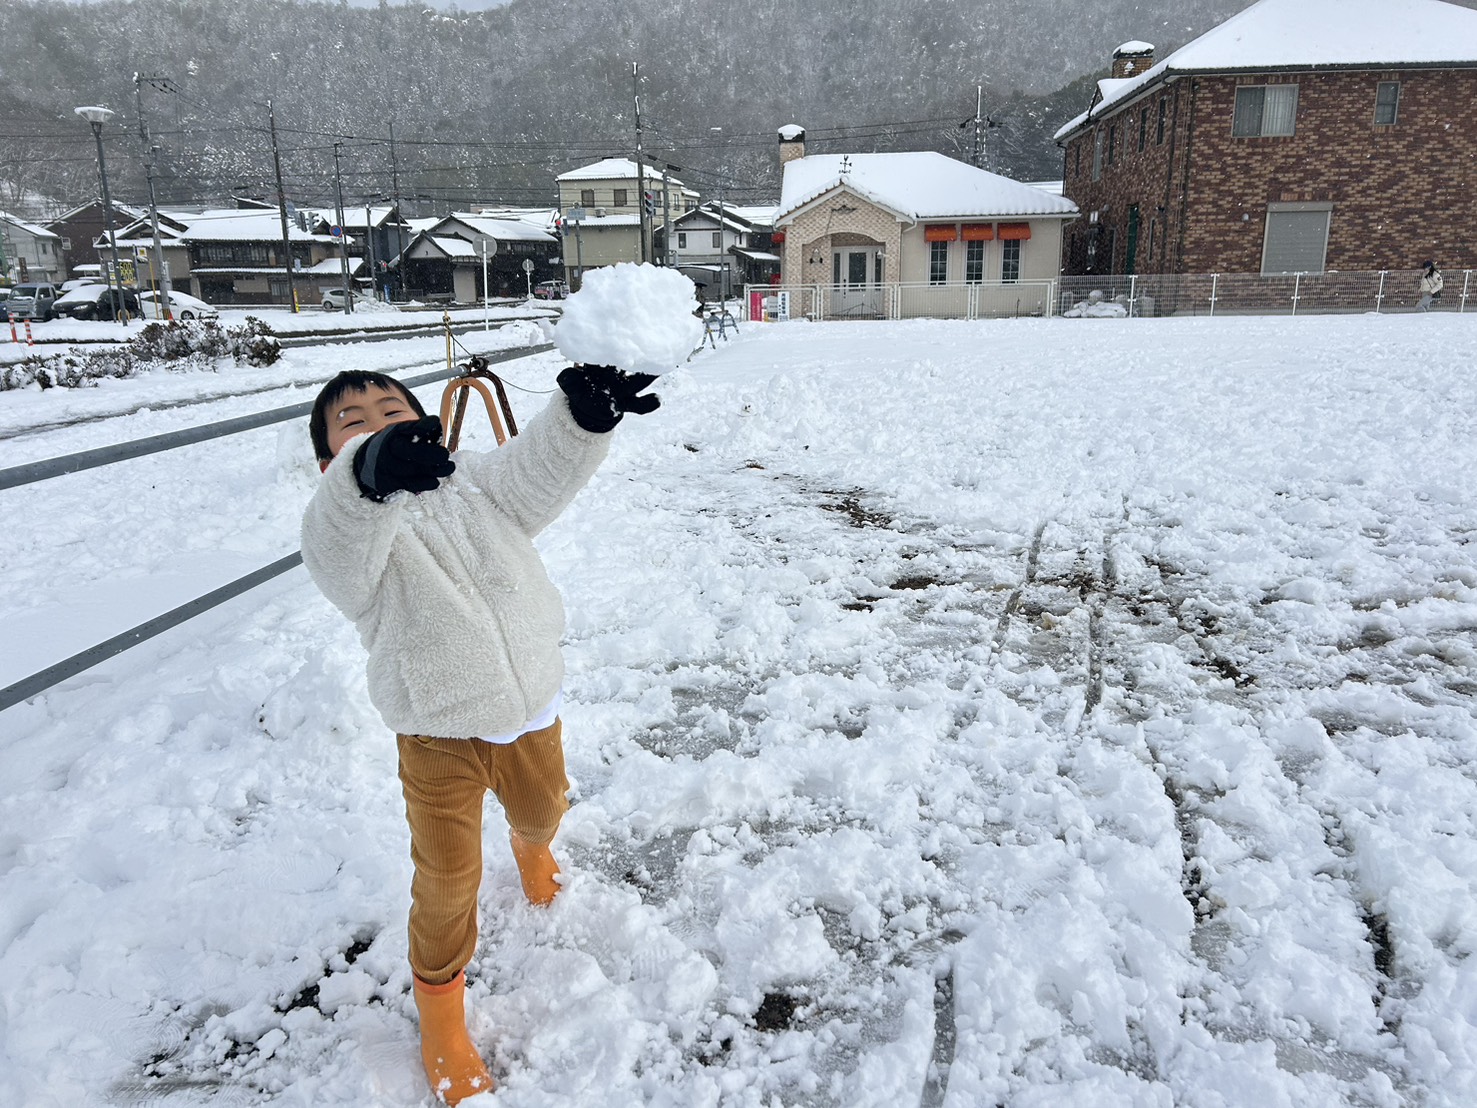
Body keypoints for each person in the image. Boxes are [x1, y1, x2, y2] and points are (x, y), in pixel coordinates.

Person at [301, 364, 659, 1104]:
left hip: (527, 707)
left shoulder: (473, 483)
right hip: (435, 733)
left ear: (424, 419)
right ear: (328, 457)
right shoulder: (346, 531)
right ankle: (441, 1018)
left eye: (391, 407)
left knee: (542, 811)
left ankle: (532, 845)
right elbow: (337, 537)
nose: (376, 418)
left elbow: (536, 475)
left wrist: (580, 421)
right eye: (353, 419)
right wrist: (367, 478)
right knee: (447, 882)